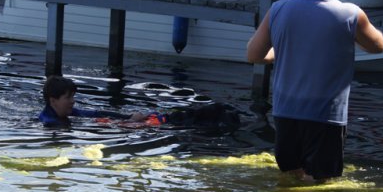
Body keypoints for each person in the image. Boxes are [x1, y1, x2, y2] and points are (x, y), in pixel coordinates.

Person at [246, 0, 383, 181]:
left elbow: (254, 55)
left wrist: (283, 52)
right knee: (321, 183)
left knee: (291, 177)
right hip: (326, 114)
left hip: (285, 111)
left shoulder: (279, 9)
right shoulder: (351, 14)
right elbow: (377, 46)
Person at [39, 75, 241, 130]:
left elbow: (96, 114)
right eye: (68, 98)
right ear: (53, 100)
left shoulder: (70, 113)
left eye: (73, 97)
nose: (73, 101)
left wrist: (129, 117)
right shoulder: (49, 123)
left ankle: (213, 113)